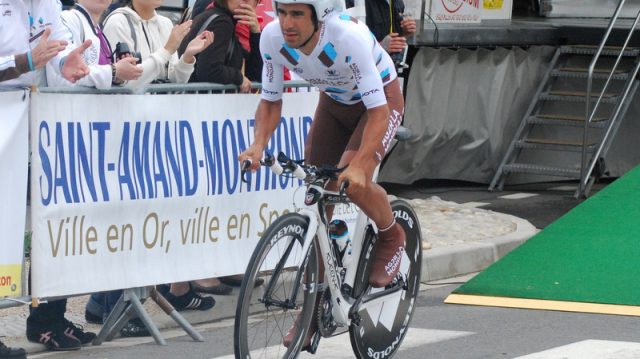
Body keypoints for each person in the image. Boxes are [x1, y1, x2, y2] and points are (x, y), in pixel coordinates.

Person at [238, 0, 406, 348]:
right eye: (283, 12)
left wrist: (360, 165)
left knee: (353, 183)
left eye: (298, 14)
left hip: (380, 103)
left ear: (320, 16)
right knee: (316, 191)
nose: (287, 22)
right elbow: (270, 100)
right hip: (334, 103)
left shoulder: (349, 38)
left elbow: (378, 112)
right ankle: (312, 306)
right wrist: (257, 146)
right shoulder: (272, 38)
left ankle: (391, 235)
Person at [102, 0, 214, 89]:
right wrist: (166, 50)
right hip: (128, 113)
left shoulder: (166, 23)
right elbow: (126, 82)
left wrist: (187, 57)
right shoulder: (117, 22)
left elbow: (176, 81)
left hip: (160, 113)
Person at [178, 0, 262, 91]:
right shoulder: (222, 23)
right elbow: (209, 70)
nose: (247, 3)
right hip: (203, 101)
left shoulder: (214, 17)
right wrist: (238, 77)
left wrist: (255, 33)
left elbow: (254, 75)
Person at [61, 0, 143, 89]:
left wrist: (118, 77)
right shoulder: (67, 19)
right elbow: (66, 75)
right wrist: (114, 71)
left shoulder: (98, 29)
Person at [345, 0, 416, 59]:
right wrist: (380, 48)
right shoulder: (354, 2)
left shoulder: (397, 2)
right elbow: (345, 48)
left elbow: (394, 34)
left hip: (390, 66)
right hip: (365, 70)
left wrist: (404, 32)